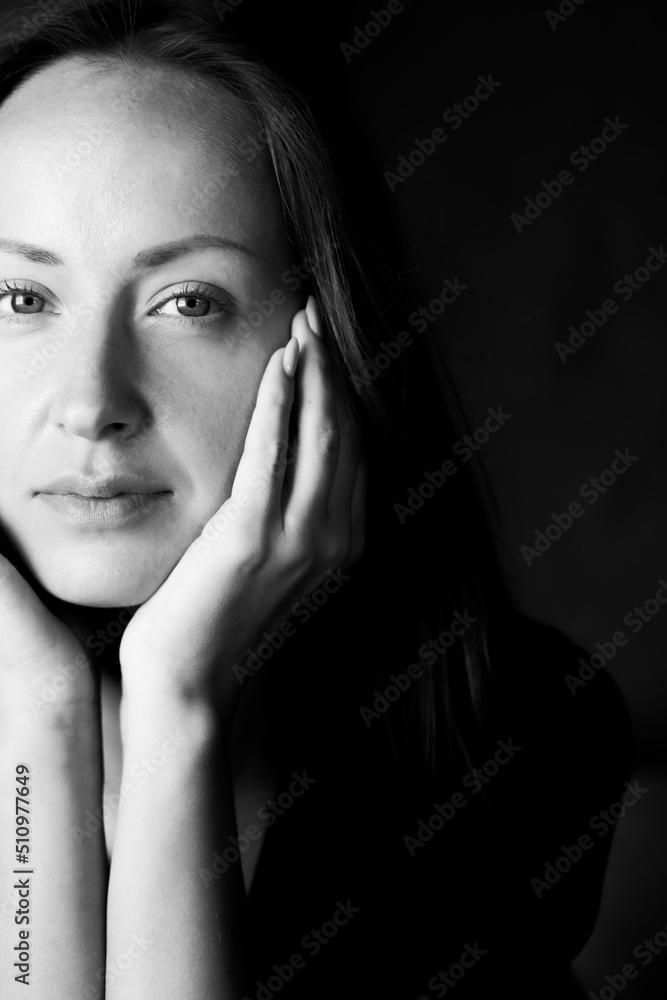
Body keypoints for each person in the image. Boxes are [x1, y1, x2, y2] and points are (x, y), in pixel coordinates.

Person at [0, 0, 633, 997]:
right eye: (20, 299)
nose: (92, 403)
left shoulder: (508, 733)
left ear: (324, 343)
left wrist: (178, 700)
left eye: (188, 302)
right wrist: (40, 713)